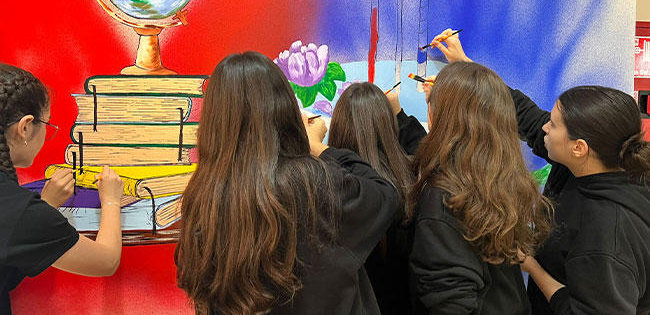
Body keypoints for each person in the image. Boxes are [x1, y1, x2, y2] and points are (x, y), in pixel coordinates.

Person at [433, 30, 650, 314]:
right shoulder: (592, 161)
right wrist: (466, 66)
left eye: (554, 124)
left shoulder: (608, 233)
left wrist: (531, 266)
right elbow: (529, 118)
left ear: (579, 147)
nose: (545, 126)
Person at [175, 51, 398, 315]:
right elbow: (383, 195)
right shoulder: (310, 181)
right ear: (283, 108)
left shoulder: (203, 196)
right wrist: (319, 148)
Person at [408, 40, 553, 314]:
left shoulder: (445, 200)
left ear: (442, 118)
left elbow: (450, 304)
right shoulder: (496, 179)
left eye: (432, 104)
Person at [0, 63, 124, 314]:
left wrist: (45, 206)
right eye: (47, 124)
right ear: (25, 127)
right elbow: (106, 261)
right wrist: (111, 200)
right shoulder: (19, 210)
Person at [328, 82, 423, 314]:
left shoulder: (331, 190)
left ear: (338, 127)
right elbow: (421, 147)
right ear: (389, 128)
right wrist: (399, 115)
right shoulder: (413, 181)